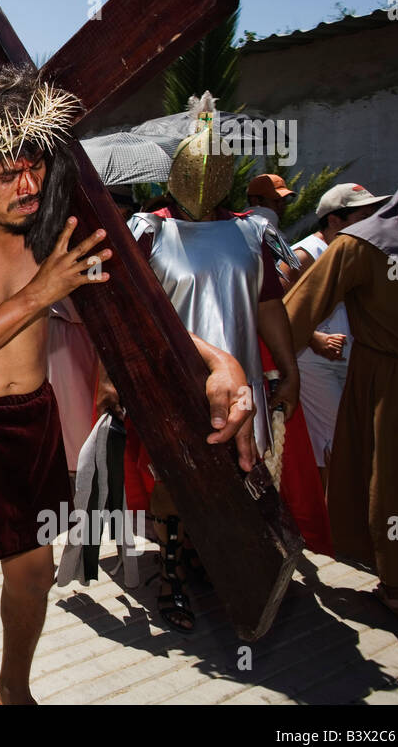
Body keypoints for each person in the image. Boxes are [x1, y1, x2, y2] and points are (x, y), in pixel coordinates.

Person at [0, 66, 256, 705]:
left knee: (35, 574)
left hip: (30, 426)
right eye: (6, 172)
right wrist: (42, 292)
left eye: (36, 165)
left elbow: (136, 314)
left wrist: (219, 363)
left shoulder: (54, 230)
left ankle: (12, 690)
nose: (28, 184)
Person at [112, 96, 310, 631]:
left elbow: (269, 305)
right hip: (172, 375)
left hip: (241, 375)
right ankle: (171, 570)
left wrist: (287, 370)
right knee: (174, 477)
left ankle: (212, 559)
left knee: (240, 469)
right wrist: (115, 379)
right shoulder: (147, 232)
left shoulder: (253, 233)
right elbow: (129, 313)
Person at [285, 148, 398, 640]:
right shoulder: (367, 244)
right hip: (397, 385)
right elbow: (296, 311)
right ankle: (397, 586)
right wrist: (275, 377)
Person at [286, 182, 386, 486]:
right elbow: (274, 306)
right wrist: (314, 338)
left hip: (350, 361)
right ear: (334, 221)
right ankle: (334, 523)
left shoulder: (359, 251)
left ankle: (332, 520)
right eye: (364, 217)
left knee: (345, 441)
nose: (373, 223)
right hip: (312, 363)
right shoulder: (304, 254)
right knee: (339, 440)